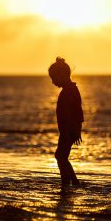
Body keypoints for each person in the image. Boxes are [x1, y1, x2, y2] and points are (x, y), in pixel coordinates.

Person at [48, 57, 84, 186]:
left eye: (54, 78)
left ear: (62, 75)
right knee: (61, 157)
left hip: (68, 131)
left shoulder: (69, 92)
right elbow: (78, 113)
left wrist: (74, 131)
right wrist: (77, 129)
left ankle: (66, 183)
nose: (53, 82)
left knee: (60, 157)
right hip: (67, 130)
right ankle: (73, 182)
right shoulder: (70, 90)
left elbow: (76, 113)